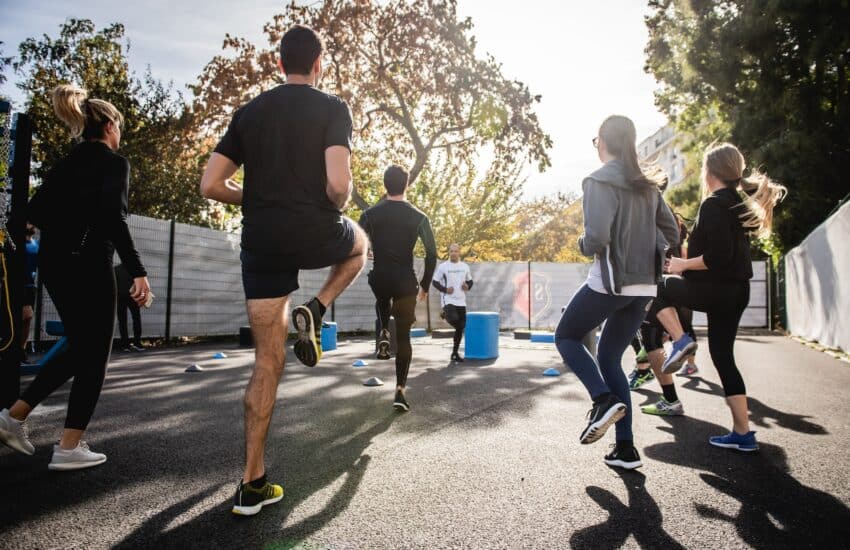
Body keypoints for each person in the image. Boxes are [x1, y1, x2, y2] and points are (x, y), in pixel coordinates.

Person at [199, 25, 367, 516]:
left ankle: (252, 482)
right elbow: (338, 186)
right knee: (359, 246)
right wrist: (338, 200)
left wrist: (253, 197)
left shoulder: (249, 113)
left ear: (279, 65)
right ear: (319, 65)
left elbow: (211, 184)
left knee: (266, 364)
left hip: (263, 242)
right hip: (315, 231)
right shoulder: (332, 108)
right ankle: (317, 306)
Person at [0, 84, 151, 470]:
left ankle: (14, 416)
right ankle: (68, 446)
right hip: (89, 266)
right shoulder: (114, 163)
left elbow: (33, 212)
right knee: (94, 354)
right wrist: (138, 271)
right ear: (110, 125)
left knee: (80, 345)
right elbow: (114, 219)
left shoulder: (69, 162)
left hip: (56, 265)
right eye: (120, 127)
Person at [553, 115, 679, 470]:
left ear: (604, 143)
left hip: (611, 282)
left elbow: (595, 238)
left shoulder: (597, 180)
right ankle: (626, 449)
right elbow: (672, 233)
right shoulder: (649, 186)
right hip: (644, 287)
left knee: (566, 335)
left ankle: (602, 398)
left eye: (596, 141)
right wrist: (650, 252)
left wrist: (580, 243)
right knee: (609, 358)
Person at [648, 142, 787, 452]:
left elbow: (718, 257)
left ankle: (681, 340)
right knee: (723, 357)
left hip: (716, 289)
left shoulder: (713, 204)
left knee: (655, 288)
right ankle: (742, 433)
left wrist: (683, 264)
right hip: (736, 291)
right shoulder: (735, 203)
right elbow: (723, 253)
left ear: (710, 172)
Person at [359, 165, 437, 411]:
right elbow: (432, 254)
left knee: (382, 296)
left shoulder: (370, 214)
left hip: (380, 277)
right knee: (404, 338)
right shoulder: (419, 217)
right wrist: (425, 285)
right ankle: (400, 392)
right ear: (407, 185)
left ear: (384, 185)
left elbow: (356, 243)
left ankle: (383, 329)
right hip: (405, 282)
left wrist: (368, 251)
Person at [432, 244, 473, 362]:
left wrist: (467, 286)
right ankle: (446, 313)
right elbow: (435, 282)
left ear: (459, 252)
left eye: (456, 251)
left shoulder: (465, 266)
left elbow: (470, 281)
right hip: (448, 299)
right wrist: (445, 290)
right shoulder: (443, 267)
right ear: (449, 253)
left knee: (461, 327)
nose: (453, 253)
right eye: (451, 251)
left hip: (461, 301)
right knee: (454, 319)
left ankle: (454, 353)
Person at [115, 263, 144, 352]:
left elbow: (114, 284)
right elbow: (140, 283)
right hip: (133, 297)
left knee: (122, 321)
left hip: (121, 297)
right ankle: (137, 343)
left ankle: (125, 345)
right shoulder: (134, 268)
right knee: (136, 319)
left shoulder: (116, 269)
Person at [21, 224, 39, 357]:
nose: (32, 224)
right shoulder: (16, 243)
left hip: (30, 287)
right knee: (25, 316)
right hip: (17, 286)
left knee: (27, 319)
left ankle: (21, 350)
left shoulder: (36, 244)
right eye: (28, 222)